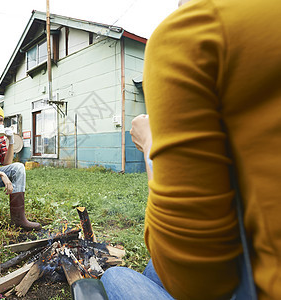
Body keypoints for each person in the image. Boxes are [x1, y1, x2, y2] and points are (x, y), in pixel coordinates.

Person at [102, 0, 281, 299]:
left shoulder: (197, 30)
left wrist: (150, 146)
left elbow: (197, 283)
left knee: (115, 276)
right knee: (152, 269)